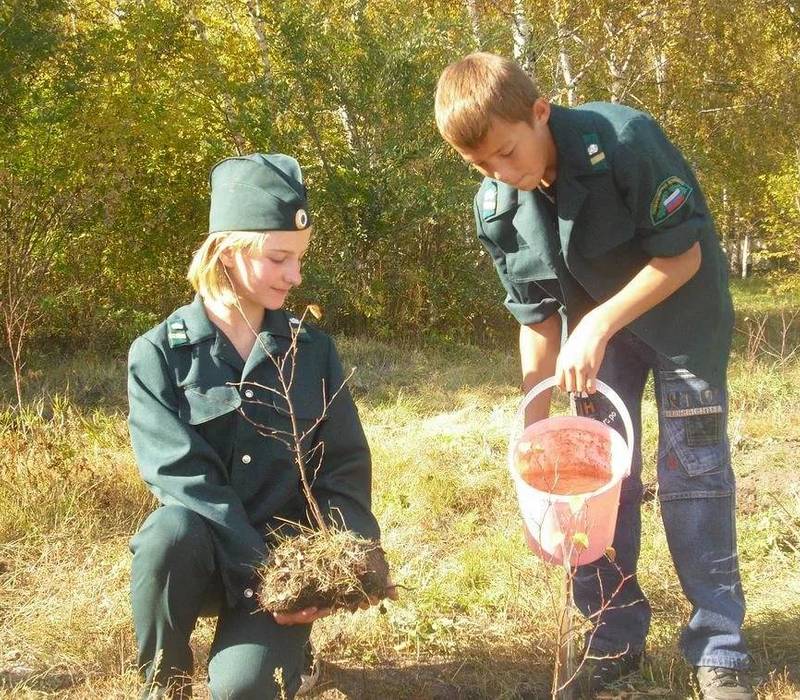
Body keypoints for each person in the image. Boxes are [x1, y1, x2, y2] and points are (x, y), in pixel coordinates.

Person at [434, 52, 753, 699]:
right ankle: (612, 639)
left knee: (694, 470)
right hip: (594, 341)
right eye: (481, 165)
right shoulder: (497, 207)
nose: (501, 172)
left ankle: (720, 648)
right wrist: (531, 415)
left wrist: (600, 323)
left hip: (682, 318)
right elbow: (536, 317)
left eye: (507, 151)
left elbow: (682, 256)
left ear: (540, 112)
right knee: (595, 480)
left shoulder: (624, 140)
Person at [127, 153, 392, 699]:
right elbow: (183, 480)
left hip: (284, 567)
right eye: (278, 259)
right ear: (227, 253)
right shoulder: (157, 355)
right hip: (207, 555)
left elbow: (342, 464)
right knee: (166, 534)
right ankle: (164, 680)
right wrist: (263, 569)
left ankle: (288, 654)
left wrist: (346, 560)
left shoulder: (311, 350)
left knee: (244, 692)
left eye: (298, 258)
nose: (294, 276)